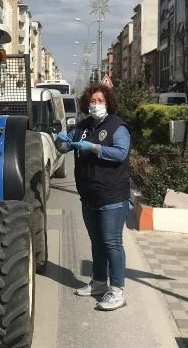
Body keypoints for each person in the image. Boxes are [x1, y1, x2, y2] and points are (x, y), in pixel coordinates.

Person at [55, 82, 131, 311]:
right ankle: (99, 282)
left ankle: (117, 291)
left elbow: (120, 153)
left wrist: (94, 148)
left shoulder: (118, 126)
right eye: (92, 101)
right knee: (97, 242)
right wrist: (62, 141)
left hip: (112, 196)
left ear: (108, 103)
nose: (95, 105)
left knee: (111, 243)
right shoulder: (83, 126)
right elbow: (65, 147)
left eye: (100, 101)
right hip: (89, 196)